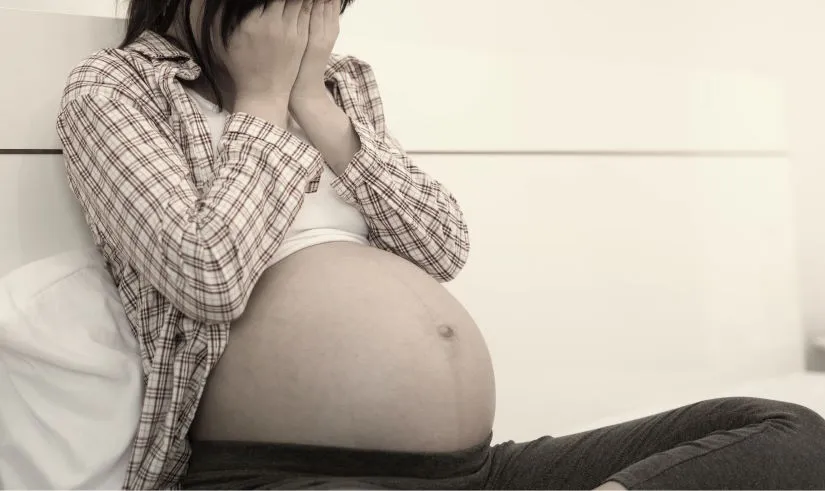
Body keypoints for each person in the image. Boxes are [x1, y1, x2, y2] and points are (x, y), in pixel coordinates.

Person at [56, 0, 825, 489]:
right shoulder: (119, 90)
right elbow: (206, 273)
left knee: (789, 434)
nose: (320, 22)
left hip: (472, 469)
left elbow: (441, 242)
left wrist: (312, 106)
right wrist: (259, 100)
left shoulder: (340, 86)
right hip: (289, 473)